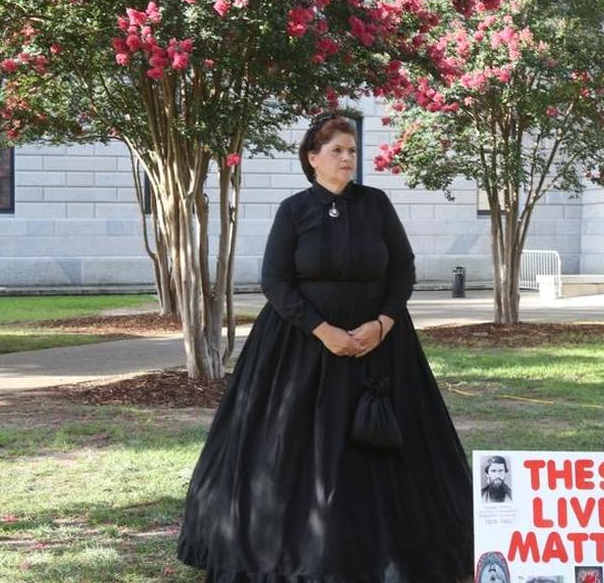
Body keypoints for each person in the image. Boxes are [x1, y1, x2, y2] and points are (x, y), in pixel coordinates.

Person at [178, 113, 473, 583]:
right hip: (301, 346)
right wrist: (322, 330)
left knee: (388, 449)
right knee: (293, 448)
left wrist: (384, 322)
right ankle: (297, 549)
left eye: (352, 150)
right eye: (336, 150)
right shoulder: (294, 210)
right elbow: (276, 281)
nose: (347, 158)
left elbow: (402, 270)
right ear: (312, 159)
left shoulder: (376, 205)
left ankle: (387, 553)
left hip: (379, 345)